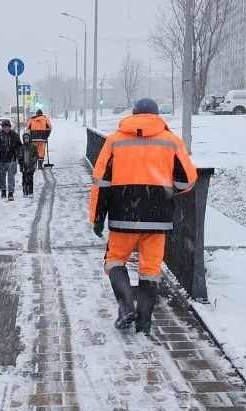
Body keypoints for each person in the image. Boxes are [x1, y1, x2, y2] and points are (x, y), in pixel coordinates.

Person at [89, 98, 197, 335]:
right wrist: (164, 191)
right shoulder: (170, 141)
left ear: (134, 114)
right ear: (156, 115)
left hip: (122, 214)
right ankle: (144, 324)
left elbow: (101, 183)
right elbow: (188, 180)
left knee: (115, 260)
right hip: (157, 217)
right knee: (150, 268)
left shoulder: (115, 141)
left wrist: (97, 217)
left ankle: (126, 305)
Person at [0, 119, 21, 200]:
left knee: (11, 177)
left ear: (10, 127)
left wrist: (18, 155)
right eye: (5, 127)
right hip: (1, 160)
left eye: (8, 127)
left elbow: (19, 146)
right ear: (2, 127)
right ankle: (3, 190)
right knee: (1, 177)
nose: (6, 129)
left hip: (11, 159)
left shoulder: (14, 135)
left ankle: (11, 192)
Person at [18, 132, 39, 198]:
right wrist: (20, 161)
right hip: (24, 166)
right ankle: (25, 191)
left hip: (31, 166)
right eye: (25, 138)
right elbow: (19, 156)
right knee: (24, 179)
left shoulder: (33, 147)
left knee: (30, 179)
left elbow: (36, 155)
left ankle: (30, 191)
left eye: (27, 138)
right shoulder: (22, 147)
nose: (26, 140)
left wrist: (34, 162)